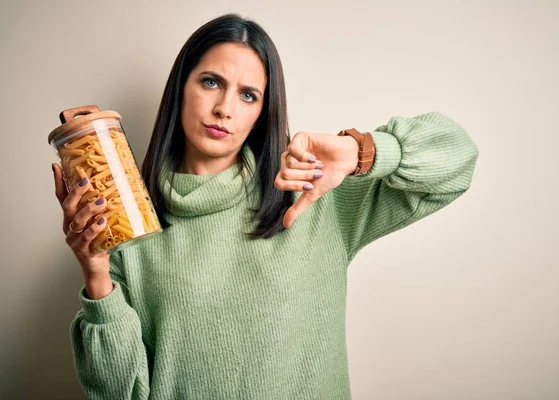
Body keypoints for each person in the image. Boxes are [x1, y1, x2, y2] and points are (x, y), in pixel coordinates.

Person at [51, 13, 479, 400]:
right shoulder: (129, 225)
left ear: (263, 112)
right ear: (181, 88)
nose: (224, 109)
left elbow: (458, 160)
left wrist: (361, 152)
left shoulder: (310, 191)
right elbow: (119, 394)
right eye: (211, 82)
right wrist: (96, 273)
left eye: (248, 95)